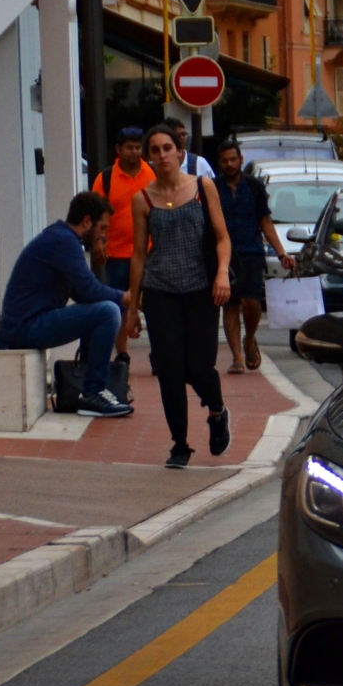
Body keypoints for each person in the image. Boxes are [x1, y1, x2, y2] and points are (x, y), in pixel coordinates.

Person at [126, 123, 233, 469]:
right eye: (154, 150)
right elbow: (139, 254)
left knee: (199, 366)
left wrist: (221, 273)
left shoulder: (203, 187)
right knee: (170, 370)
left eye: (167, 148)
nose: (162, 155)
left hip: (201, 288)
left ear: (178, 151)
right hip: (160, 291)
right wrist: (133, 309)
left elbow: (221, 237)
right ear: (149, 157)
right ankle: (180, 444)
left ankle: (216, 411)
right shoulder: (142, 199)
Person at [0, 192, 133, 417]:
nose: (103, 236)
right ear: (87, 221)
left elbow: (85, 294)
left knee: (103, 309)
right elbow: (91, 290)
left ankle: (91, 388)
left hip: (28, 326)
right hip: (24, 330)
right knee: (108, 311)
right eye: (102, 228)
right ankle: (93, 392)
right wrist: (128, 297)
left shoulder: (63, 239)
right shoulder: (63, 240)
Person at [215, 139, 294, 373]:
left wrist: (281, 253)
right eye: (224, 160)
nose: (229, 164)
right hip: (224, 254)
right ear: (219, 163)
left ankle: (249, 338)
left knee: (251, 301)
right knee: (229, 305)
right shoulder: (212, 187)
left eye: (233, 159)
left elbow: (265, 222)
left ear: (241, 160)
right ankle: (237, 358)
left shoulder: (255, 187)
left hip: (251, 252)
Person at [92, 126, 155, 365]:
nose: (134, 151)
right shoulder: (105, 178)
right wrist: (99, 240)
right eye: (129, 147)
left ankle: (158, 353)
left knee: (153, 304)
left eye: (138, 147)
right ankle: (123, 354)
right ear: (118, 149)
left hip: (149, 251)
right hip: (116, 253)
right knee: (119, 304)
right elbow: (97, 213)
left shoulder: (152, 173)